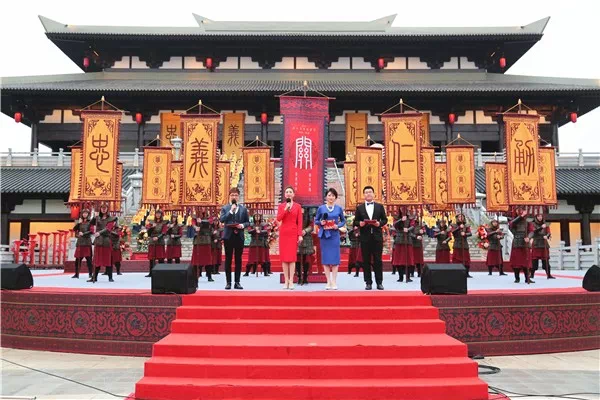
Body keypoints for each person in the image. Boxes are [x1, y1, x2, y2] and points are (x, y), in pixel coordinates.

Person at [353, 186, 388, 290]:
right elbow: (355, 221)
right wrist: (360, 223)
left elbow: (385, 220)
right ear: (364, 195)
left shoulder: (379, 207)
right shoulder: (360, 208)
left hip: (377, 237)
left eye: (370, 192)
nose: (368, 194)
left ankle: (379, 282)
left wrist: (379, 224)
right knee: (366, 260)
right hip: (365, 237)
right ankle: (368, 282)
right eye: (366, 192)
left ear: (373, 194)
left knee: (378, 260)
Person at [219, 187, 250, 290]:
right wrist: (231, 211)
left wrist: (242, 225)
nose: (234, 197)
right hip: (228, 236)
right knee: (228, 260)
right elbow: (222, 219)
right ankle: (228, 282)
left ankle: (237, 282)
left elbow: (248, 222)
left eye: (236, 195)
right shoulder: (225, 208)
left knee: (238, 260)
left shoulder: (243, 209)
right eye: (232, 195)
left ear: (238, 197)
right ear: (229, 196)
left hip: (239, 236)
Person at [315, 188, 346, 290]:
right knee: (326, 259)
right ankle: (328, 281)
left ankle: (334, 281)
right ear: (326, 197)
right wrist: (321, 223)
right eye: (329, 195)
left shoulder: (338, 208)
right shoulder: (321, 208)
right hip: (325, 236)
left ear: (335, 197)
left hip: (334, 235)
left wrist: (338, 226)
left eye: (333, 195)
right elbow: (316, 220)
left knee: (335, 259)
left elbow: (343, 220)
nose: (331, 197)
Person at [276, 186, 303, 290]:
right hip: (284, 233)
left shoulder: (298, 206)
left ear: (293, 194)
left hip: (293, 233)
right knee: (284, 258)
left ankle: (291, 280)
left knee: (292, 258)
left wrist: (300, 235)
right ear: (284, 194)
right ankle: (286, 280)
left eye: (290, 192)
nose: (288, 193)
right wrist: (285, 209)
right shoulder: (281, 206)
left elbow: (299, 222)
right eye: (287, 192)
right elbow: (279, 218)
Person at [89, 202, 117, 283]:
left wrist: (99, 233)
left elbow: (108, 228)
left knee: (108, 259)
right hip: (98, 241)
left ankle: (110, 277)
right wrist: (95, 217)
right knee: (97, 259)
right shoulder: (97, 217)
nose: (103, 209)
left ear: (107, 209)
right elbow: (91, 224)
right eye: (102, 208)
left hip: (106, 241)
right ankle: (94, 277)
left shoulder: (111, 219)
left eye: (105, 208)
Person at [509, 208, 533, 284]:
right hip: (517, 242)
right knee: (516, 262)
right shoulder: (513, 221)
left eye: (522, 210)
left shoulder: (528, 222)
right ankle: (517, 278)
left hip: (525, 242)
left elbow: (531, 231)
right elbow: (511, 224)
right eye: (518, 210)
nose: (520, 211)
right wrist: (521, 216)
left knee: (526, 262)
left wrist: (528, 237)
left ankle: (527, 278)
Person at [529, 214, 555, 279]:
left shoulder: (545, 224)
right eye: (538, 216)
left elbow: (548, 232)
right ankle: (531, 274)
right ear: (536, 217)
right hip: (536, 243)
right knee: (534, 260)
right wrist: (541, 227)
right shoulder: (533, 224)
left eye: (541, 216)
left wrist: (547, 236)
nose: (540, 217)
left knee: (546, 260)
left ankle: (548, 275)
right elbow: (533, 232)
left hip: (544, 244)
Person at [192, 213, 214, 282]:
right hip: (198, 240)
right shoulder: (195, 217)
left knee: (208, 259)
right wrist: (196, 227)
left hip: (206, 240)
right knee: (196, 259)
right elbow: (193, 224)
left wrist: (201, 221)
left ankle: (209, 275)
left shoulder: (209, 217)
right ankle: (195, 275)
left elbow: (210, 222)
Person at [393, 212, 414, 283]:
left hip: (407, 239)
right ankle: (400, 277)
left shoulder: (410, 218)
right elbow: (395, 225)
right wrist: (401, 220)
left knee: (408, 259)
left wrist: (408, 229)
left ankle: (408, 277)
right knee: (399, 260)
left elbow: (412, 226)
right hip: (399, 240)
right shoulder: (397, 218)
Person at [72, 209, 93, 279]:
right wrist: (78, 223)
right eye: (83, 213)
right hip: (80, 242)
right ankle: (76, 273)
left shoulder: (90, 222)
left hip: (87, 242)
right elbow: (74, 229)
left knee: (89, 259)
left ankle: (90, 273)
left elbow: (91, 231)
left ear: (88, 214)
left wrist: (83, 234)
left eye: (86, 213)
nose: (85, 214)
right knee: (78, 260)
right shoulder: (80, 223)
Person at [296, 208, 315, 286]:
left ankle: (305, 277)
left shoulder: (309, 211)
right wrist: (298, 231)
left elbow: (312, 225)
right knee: (297, 257)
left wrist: (305, 231)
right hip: (296, 235)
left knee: (306, 258)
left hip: (307, 237)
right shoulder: (294, 210)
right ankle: (299, 276)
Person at [146, 209, 167, 278]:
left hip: (160, 241)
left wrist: (158, 237)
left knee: (160, 257)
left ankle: (161, 272)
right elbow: (148, 233)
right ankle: (151, 272)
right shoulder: (151, 222)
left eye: (159, 214)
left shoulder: (164, 223)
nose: (158, 215)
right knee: (151, 258)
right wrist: (152, 227)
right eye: (157, 213)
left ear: (161, 215)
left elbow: (164, 232)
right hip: (152, 241)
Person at [451, 214, 473, 278]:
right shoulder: (453, 225)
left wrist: (465, 234)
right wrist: (459, 228)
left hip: (464, 244)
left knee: (466, 259)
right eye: (460, 217)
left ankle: (466, 273)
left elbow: (470, 233)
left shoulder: (466, 225)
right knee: (456, 259)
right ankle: (456, 273)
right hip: (457, 243)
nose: (461, 218)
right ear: (457, 218)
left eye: (462, 217)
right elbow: (452, 232)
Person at [410, 212, 425, 278]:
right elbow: (410, 233)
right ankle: (411, 273)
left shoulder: (421, 225)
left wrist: (423, 231)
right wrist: (416, 236)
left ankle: (420, 272)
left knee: (419, 259)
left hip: (419, 244)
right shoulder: (411, 225)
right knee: (412, 259)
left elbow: (424, 231)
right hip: (413, 243)